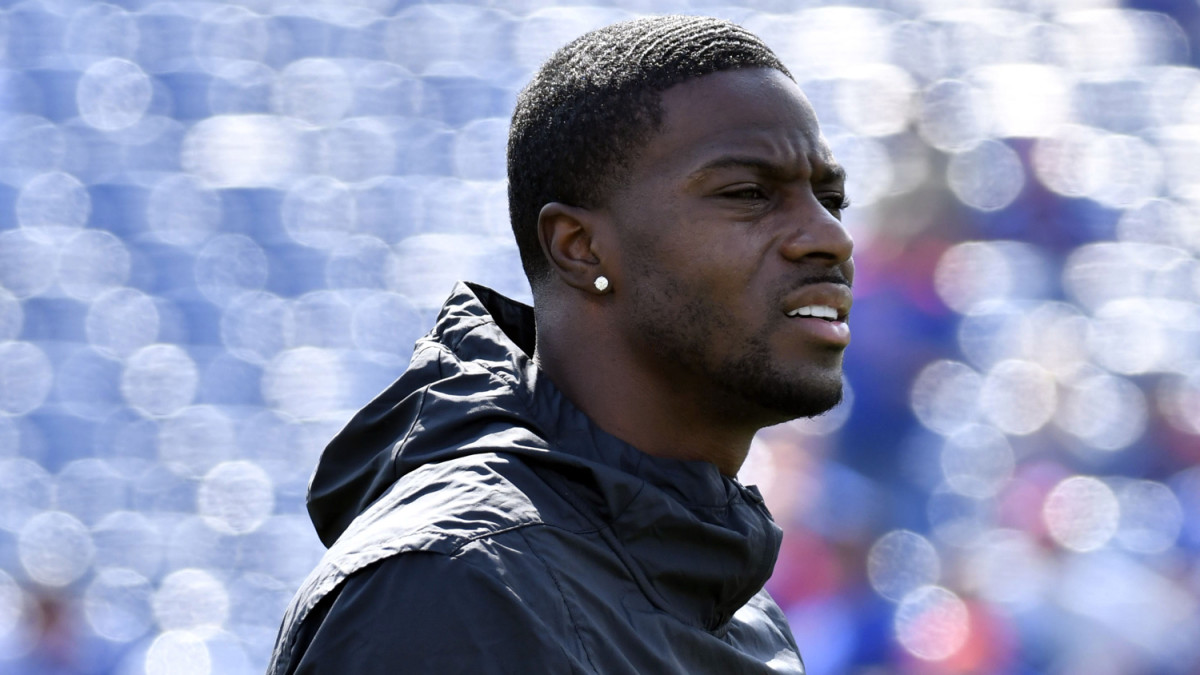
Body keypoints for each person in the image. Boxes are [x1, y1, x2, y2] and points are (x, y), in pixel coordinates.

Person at [268, 14, 852, 674]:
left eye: (832, 198)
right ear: (579, 248)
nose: (829, 236)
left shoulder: (745, 613)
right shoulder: (455, 585)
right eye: (748, 193)